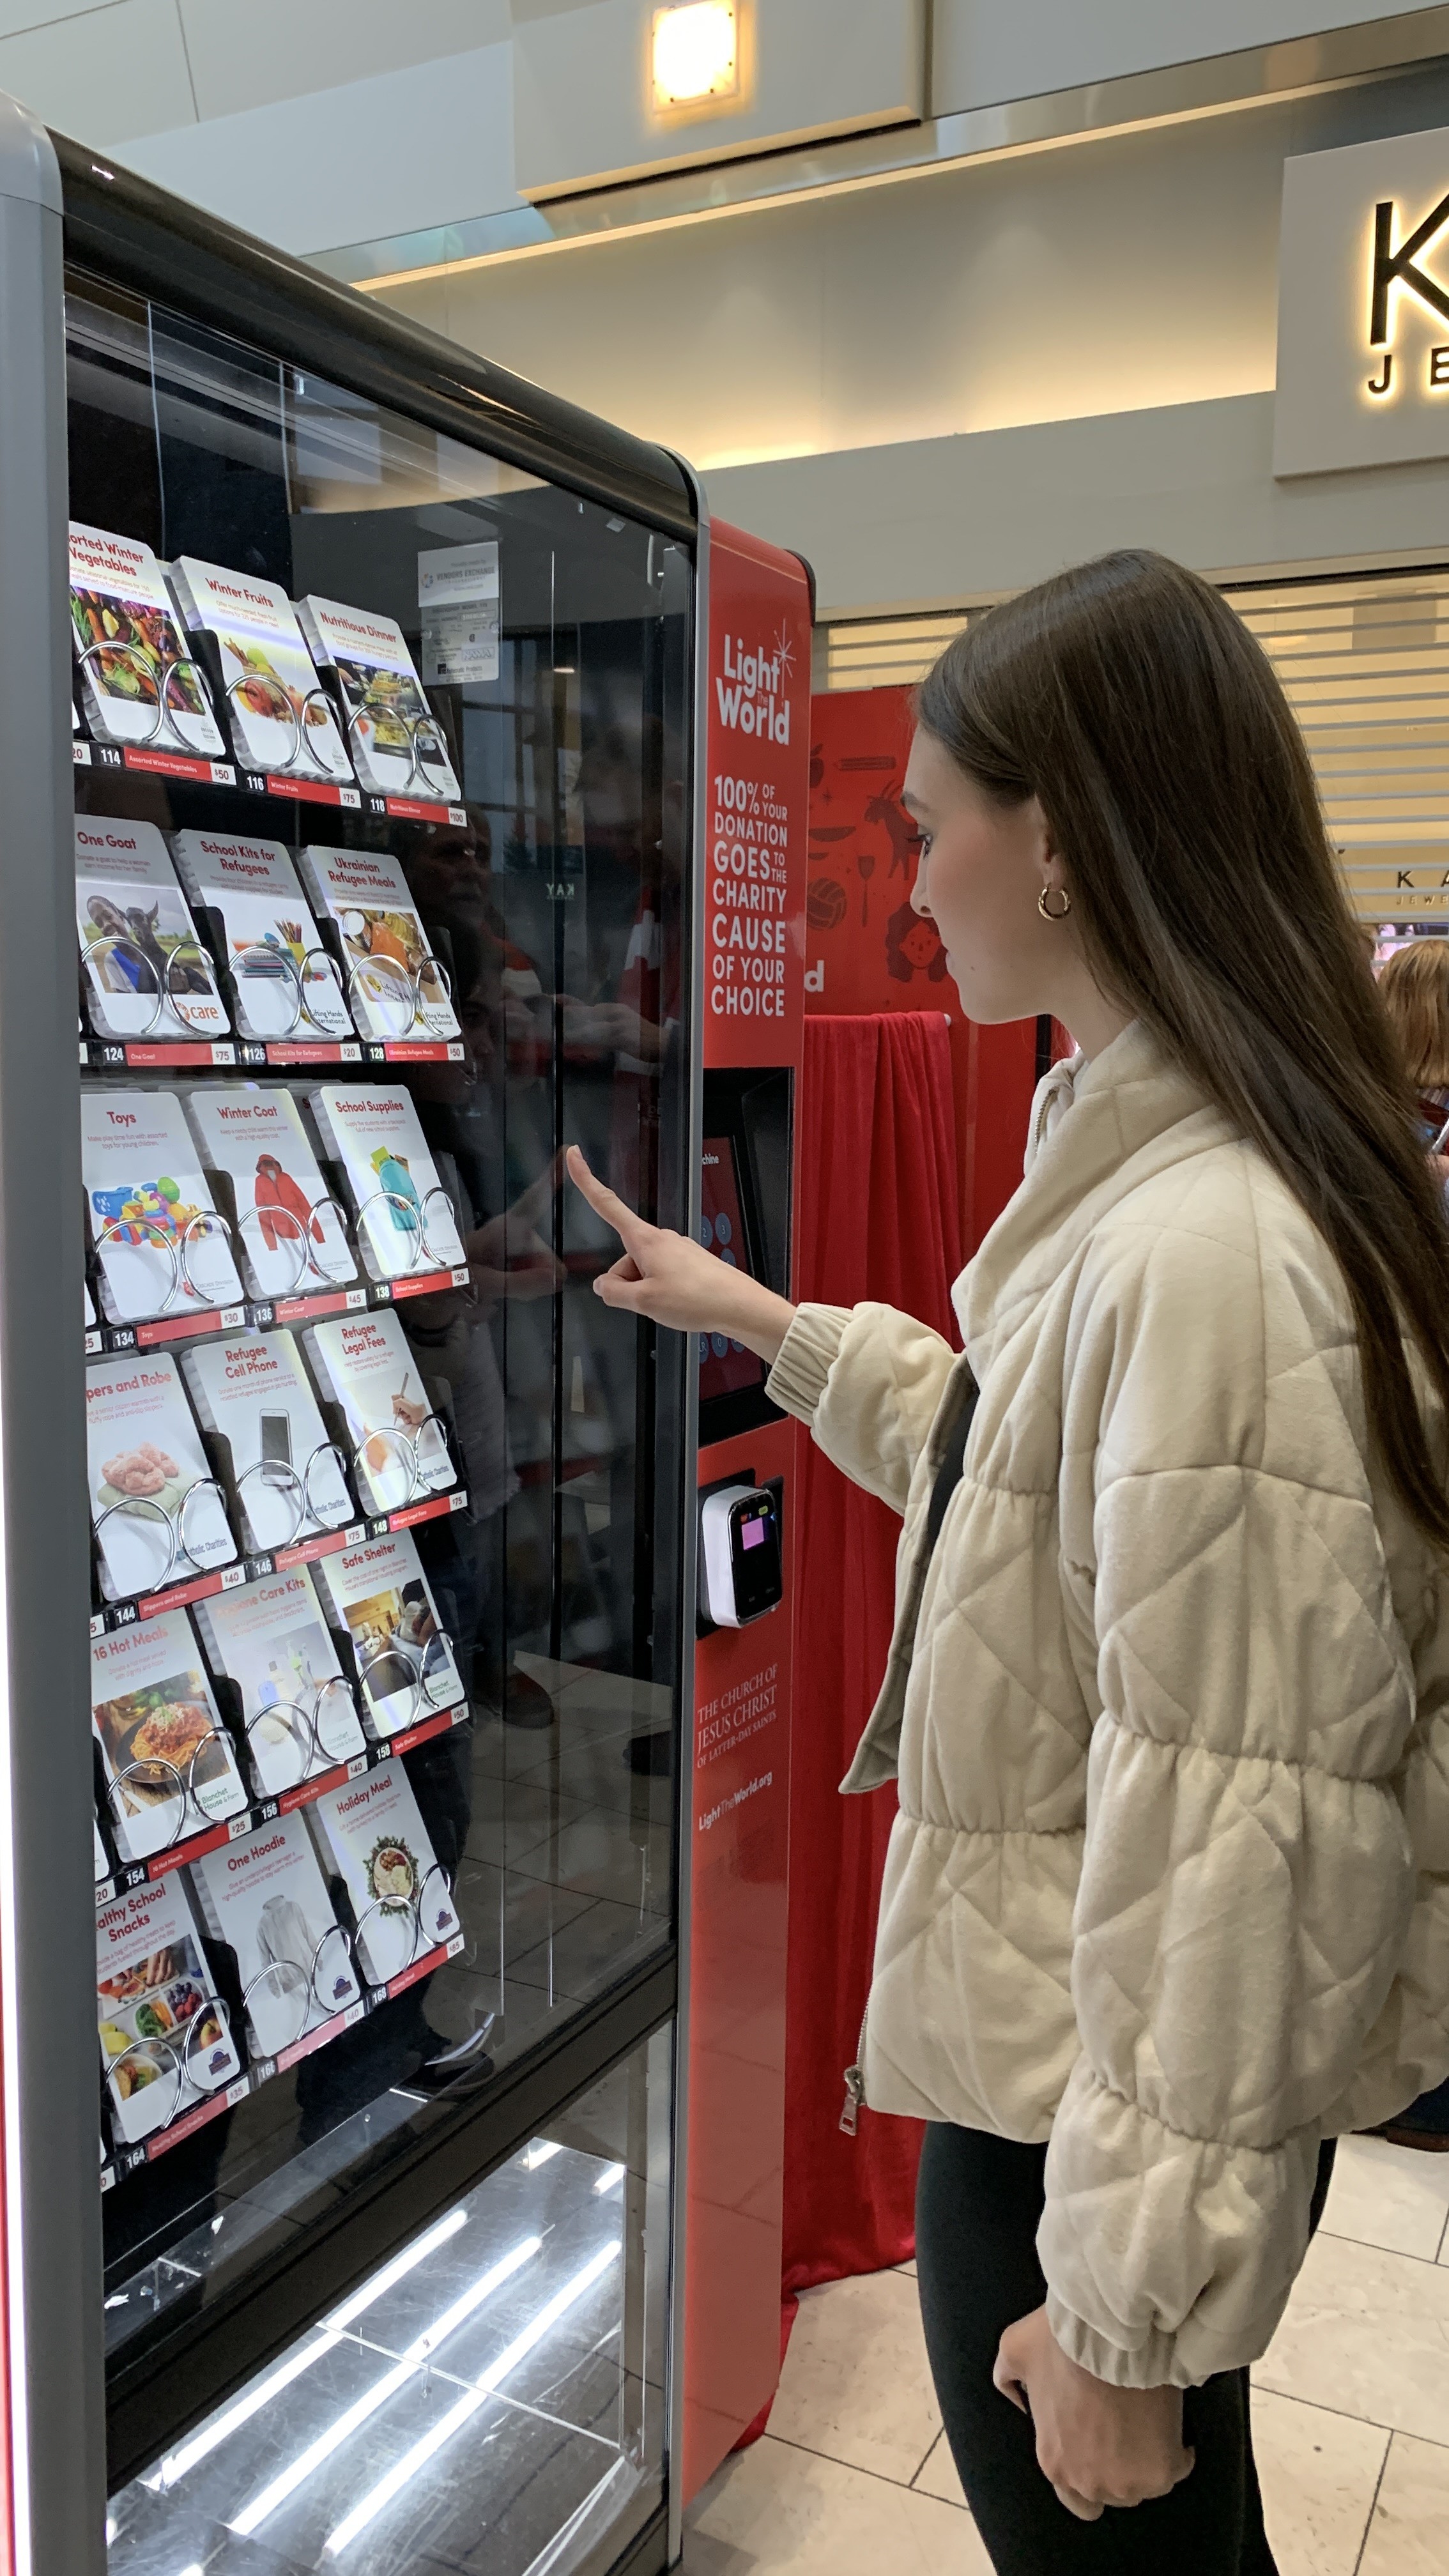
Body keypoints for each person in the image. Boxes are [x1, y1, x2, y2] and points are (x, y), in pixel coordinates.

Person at [567, 548, 1449, 2575]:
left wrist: (1127, 2313)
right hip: (1087, 2082)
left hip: (1087, 2123)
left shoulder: (1208, 1244)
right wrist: (760, 1318)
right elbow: (1031, 1472)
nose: (912, 872)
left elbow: (1239, 1821)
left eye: (931, 823)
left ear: (1057, 843)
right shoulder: (1179, 1176)